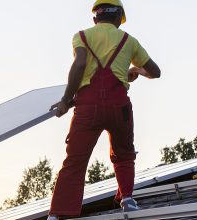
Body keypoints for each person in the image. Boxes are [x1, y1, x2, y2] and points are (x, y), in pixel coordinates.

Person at [47, 0, 161, 219]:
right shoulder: (129, 41)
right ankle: (127, 199)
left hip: (87, 108)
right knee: (124, 154)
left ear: (95, 19)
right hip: (120, 108)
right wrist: (135, 69)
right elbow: (155, 72)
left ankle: (58, 214)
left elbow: (80, 65)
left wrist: (65, 99)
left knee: (75, 160)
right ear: (119, 19)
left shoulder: (82, 36)